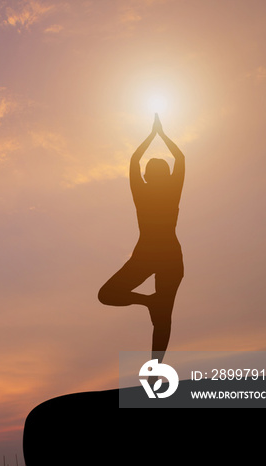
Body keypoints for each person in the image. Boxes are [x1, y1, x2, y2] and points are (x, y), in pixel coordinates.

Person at [98, 113, 185, 364]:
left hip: (158, 255)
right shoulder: (168, 192)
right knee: (162, 315)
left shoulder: (145, 192)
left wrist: (152, 135)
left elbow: (135, 160)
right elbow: (179, 158)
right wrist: (162, 135)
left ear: (148, 177)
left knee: (159, 314)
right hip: (158, 255)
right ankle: (151, 305)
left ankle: (156, 366)